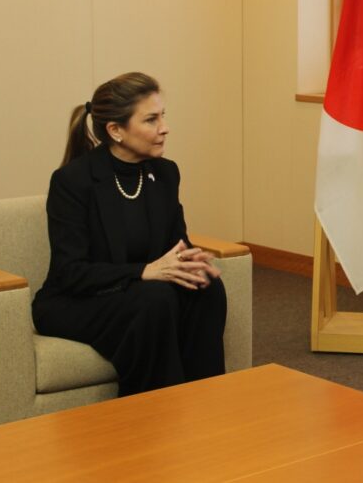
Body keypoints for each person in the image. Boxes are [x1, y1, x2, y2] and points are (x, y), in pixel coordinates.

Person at [33, 72, 227, 397]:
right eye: (151, 120)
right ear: (116, 131)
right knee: (156, 298)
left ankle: (204, 404)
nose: (164, 127)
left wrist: (190, 260)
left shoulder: (165, 173)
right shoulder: (73, 182)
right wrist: (143, 271)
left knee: (206, 288)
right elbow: (70, 273)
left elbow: (174, 245)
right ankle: (154, 416)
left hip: (139, 293)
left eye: (163, 116)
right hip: (75, 300)